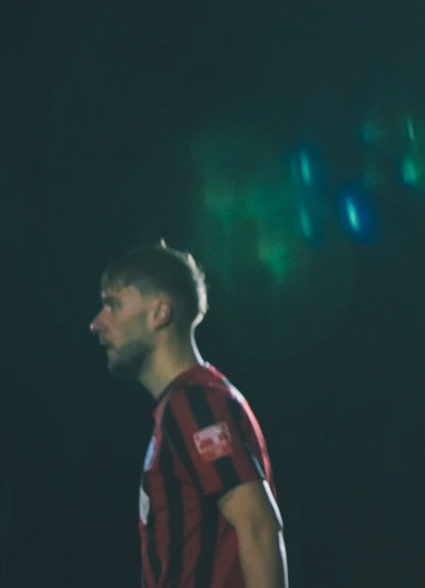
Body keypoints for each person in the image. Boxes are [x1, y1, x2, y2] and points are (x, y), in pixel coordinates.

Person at [89, 241, 288, 588]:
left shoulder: (196, 403)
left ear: (159, 313)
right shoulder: (184, 404)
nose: (97, 323)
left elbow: (258, 525)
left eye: (113, 304)